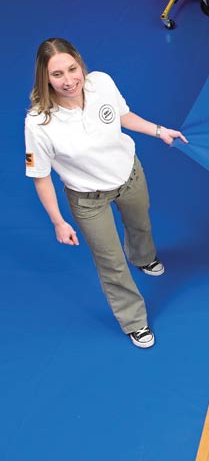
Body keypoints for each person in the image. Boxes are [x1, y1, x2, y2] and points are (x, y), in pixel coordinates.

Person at [24, 38, 188, 349]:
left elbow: (123, 115)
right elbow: (41, 176)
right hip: (89, 200)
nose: (69, 80)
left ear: (80, 64)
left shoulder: (101, 83)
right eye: (57, 75)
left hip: (129, 176)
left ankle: (143, 257)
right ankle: (134, 321)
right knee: (110, 262)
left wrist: (159, 130)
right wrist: (58, 221)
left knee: (141, 224)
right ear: (44, 77)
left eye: (72, 69)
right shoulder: (38, 122)